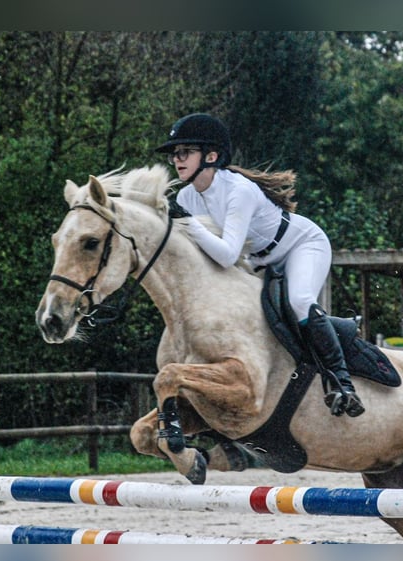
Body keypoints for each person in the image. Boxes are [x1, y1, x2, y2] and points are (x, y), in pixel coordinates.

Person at [155, 113, 364, 417]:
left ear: (211, 156)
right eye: (175, 154)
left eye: (185, 152)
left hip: (299, 246)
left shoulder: (238, 191)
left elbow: (226, 254)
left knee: (299, 301)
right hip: (255, 261)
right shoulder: (187, 196)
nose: (177, 159)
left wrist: (187, 223)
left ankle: (342, 382)